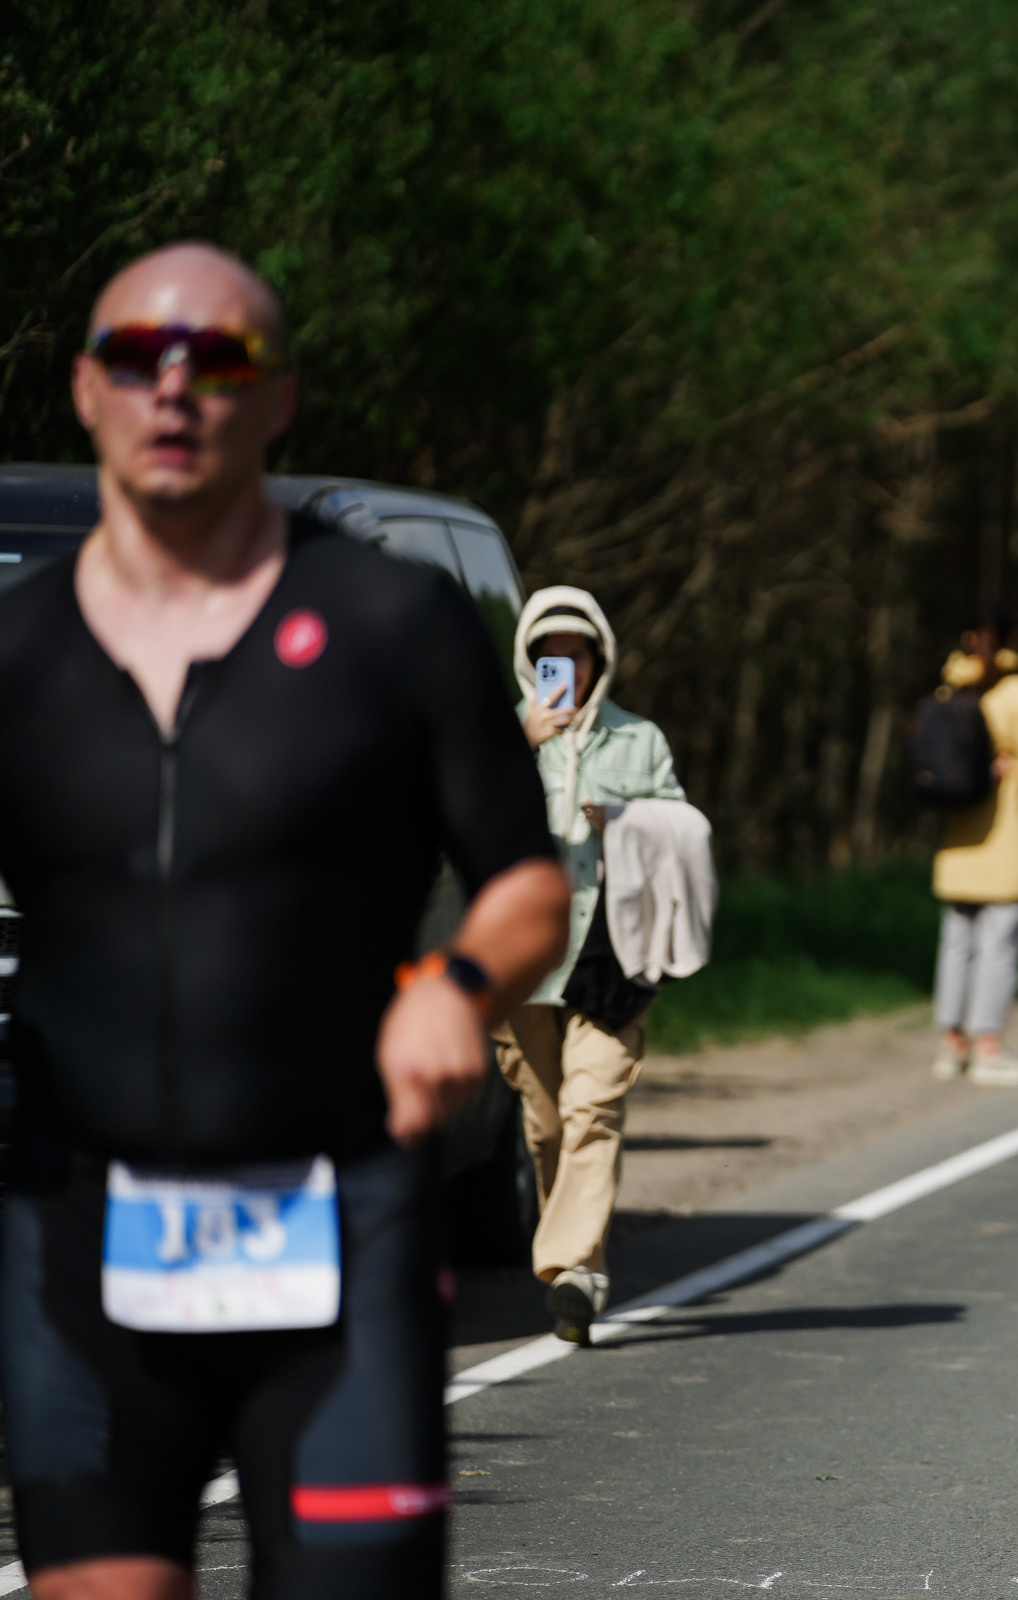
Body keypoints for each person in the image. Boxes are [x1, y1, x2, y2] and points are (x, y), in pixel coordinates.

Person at [0, 244, 567, 1599]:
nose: (178, 387)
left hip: (337, 1225)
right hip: (78, 1228)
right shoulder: (20, 653)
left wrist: (457, 982)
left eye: (222, 360)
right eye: (141, 357)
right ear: (86, 390)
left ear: (283, 397)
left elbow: (527, 879)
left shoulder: (390, 619)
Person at [496, 586, 687, 1346]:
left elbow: (682, 830)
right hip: (524, 963)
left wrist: (628, 821)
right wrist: (522, 748)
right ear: (528, 661)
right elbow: (452, 824)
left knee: (593, 1105)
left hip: (612, 959)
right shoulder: (499, 736)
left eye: (573, 654)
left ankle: (574, 1269)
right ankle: (581, 1259)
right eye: (547, 655)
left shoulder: (639, 740)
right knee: (545, 1126)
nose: (560, 668)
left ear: (598, 659)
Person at [931, 601, 1018, 1087]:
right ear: (1014, 639)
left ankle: (950, 1047)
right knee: (999, 946)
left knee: (956, 944)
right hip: (1009, 839)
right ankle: (989, 1048)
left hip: (957, 843)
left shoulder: (950, 689)